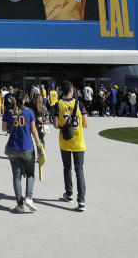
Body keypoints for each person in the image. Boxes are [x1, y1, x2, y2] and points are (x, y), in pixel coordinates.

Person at [3, 93, 43, 213]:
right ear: (24, 99)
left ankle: (19, 204)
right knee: (30, 173)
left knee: (16, 176)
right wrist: (39, 143)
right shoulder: (29, 112)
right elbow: (34, 130)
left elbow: (4, 128)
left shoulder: (9, 111)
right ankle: (29, 197)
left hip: (13, 146)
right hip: (27, 146)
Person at [54, 81, 88, 211]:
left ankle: (69, 194)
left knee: (67, 168)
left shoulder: (59, 104)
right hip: (78, 141)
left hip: (65, 141)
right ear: (71, 90)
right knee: (79, 169)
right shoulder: (79, 104)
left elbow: (56, 125)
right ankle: (81, 200)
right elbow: (85, 123)